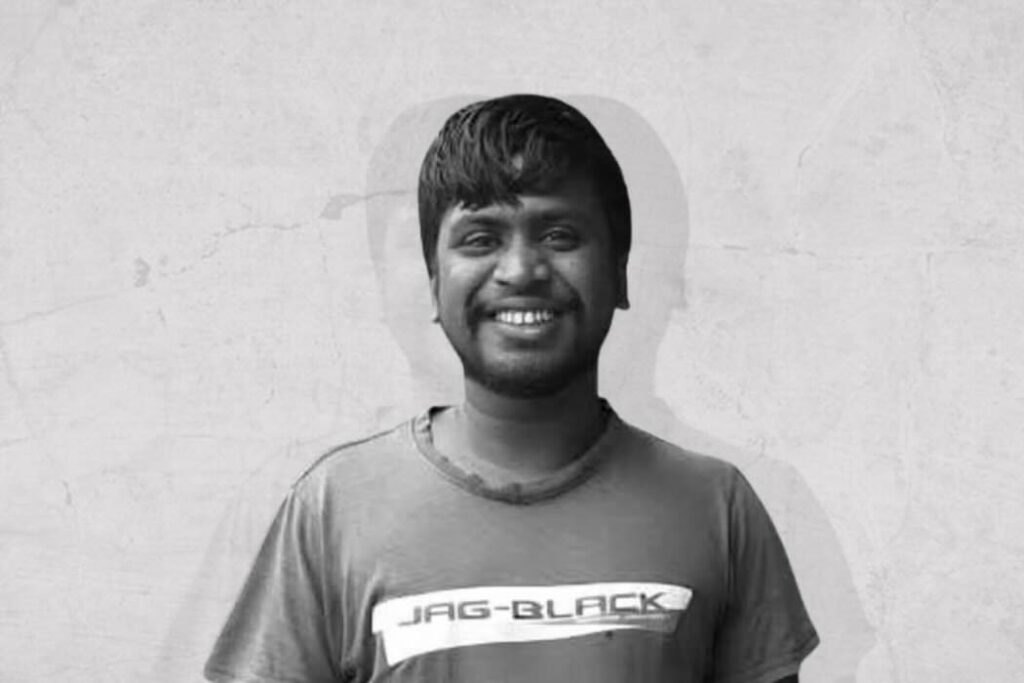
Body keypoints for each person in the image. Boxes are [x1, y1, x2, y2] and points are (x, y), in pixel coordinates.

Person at [204, 94, 819, 683]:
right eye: (481, 238)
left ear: (620, 271)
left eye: (560, 235)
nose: (521, 270)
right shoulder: (332, 509)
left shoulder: (717, 506)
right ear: (433, 281)